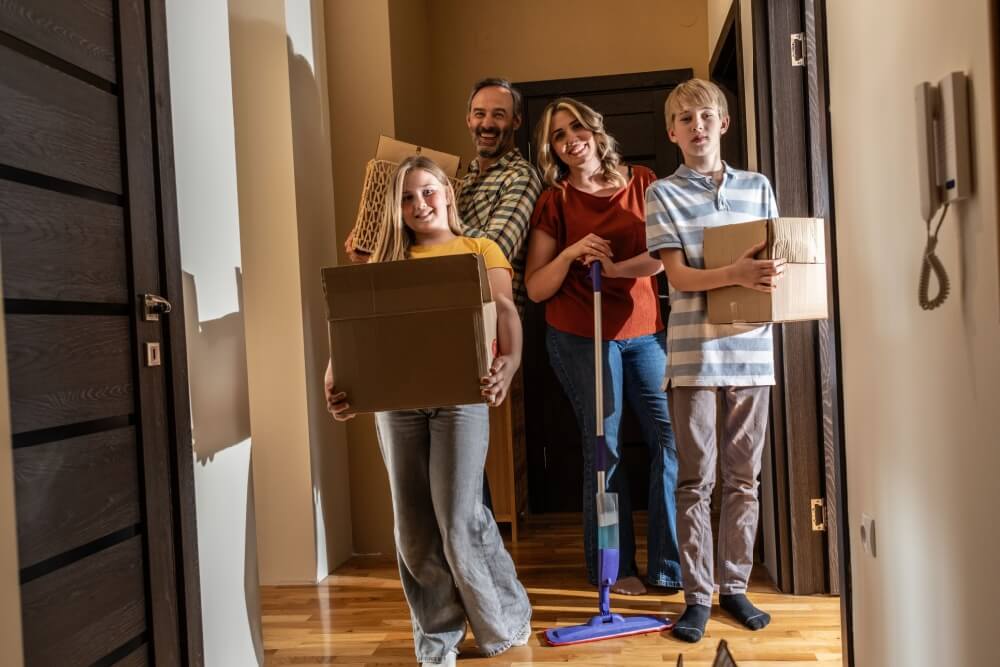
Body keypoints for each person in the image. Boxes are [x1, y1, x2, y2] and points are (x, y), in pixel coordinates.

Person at [325, 156, 532, 666]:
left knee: (460, 520)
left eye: (428, 192)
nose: (420, 204)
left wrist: (508, 365)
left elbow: (505, 309)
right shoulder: (386, 262)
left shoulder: (480, 248)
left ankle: (503, 620)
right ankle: (438, 638)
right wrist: (336, 380)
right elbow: (352, 325)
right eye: (407, 197)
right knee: (413, 527)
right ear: (396, 208)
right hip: (397, 405)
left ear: (447, 193)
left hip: (461, 400)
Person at [645, 78, 786, 643]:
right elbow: (677, 277)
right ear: (672, 131)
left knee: (744, 479)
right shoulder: (662, 194)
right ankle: (696, 596)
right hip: (694, 356)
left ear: (723, 123)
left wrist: (767, 277)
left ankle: (734, 586)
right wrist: (734, 274)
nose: (697, 126)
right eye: (685, 119)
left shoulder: (758, 187)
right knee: (695, 480)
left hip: (753, 354)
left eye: (706, 116)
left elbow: (775, 263)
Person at [524, 97, 682, 597]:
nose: (571, 139)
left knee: (670, 441)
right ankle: (613, 570)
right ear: (551, 149)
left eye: (576, 127)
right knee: (605, 450)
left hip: (644, 332)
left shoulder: (643, 183)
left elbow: (661, 259)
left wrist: (615, 269)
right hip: (580, 335)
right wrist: (573, 251)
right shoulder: (555, 201)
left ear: (594, 129)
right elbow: (535, 287)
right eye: (557, 135)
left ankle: (667, 567)